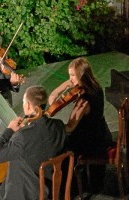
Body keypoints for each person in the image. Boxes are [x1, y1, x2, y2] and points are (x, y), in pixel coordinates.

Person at [0, 85, 67, 200]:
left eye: (24, 102)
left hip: (25, 194)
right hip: (51, 189)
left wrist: (9, 130)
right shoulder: (58, 125)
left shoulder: (23, 136)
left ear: (28, 105)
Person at [48, 57, 113, 194]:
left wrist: (55, 128)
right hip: (100, 132)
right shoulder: (96, 87)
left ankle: (71, 190)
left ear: (81, 76)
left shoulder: (84, 100)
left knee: (61, 149)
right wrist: (67, 83)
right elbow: (52, 99)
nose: (70, 79)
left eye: (72, 75)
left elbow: (70, 127)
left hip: (91, 141)